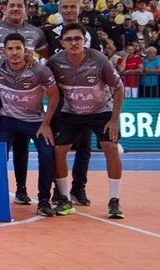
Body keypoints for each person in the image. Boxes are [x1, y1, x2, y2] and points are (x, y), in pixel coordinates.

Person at [48, 23, 126, 219]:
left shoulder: (99, 60)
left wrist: (114, 119)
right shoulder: (54, 63)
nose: (74, 43)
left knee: (110, 147)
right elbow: (42, 82)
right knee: (58, 150)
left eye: (78, 39)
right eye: (69, 39)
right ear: (62, 43)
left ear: (85, 41)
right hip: (71, 111)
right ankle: (65, 198)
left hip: (101, 110)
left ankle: (114, 200)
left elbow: (119, 88)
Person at [0, 33, 61, 215]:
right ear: (3, 51)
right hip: (8, 119)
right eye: (10, 49)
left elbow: (54, 96)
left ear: (25, 50)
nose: (14, 53)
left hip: (35, 121)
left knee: (47, 155)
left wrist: (46, 124)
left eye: (18, 48)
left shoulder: (40, 70)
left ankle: (44, 201)